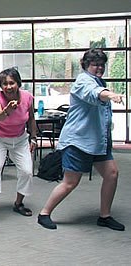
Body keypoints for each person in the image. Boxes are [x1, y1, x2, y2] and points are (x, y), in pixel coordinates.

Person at [37, 48, 125, 231]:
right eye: (95, 65)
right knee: (70, 182)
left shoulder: (98, 81)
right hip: (78, 142)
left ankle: (105, 216)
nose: (99, 68)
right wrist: (111, 95)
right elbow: (95, 94)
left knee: (112, 174)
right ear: (86, 65)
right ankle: (44, 213)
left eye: (102, 65)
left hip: (98, 142)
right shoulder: (83, 81)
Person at [0, 67, 37, 229]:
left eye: (11, 83)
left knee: (27, 171)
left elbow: (31, 118)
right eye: (4, 84)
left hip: (19, 139)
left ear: (18, 83)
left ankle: (18, 203)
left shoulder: (27, 97)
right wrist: (7, 110)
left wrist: (33, 137)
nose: (8, 87)